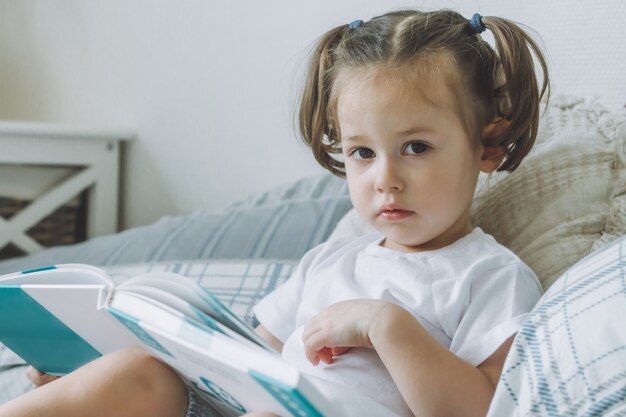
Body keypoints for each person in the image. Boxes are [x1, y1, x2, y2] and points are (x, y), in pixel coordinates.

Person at [0, 8, 549, 417]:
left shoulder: (490, 276)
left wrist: (386, 325)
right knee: (141, 374)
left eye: (416, 147)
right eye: (362, 152)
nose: (385, 178)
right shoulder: (332, 260)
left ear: (488, 146)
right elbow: (245, 363)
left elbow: (481, 409)